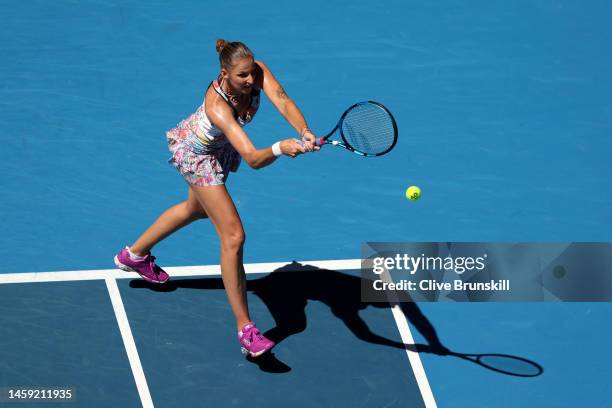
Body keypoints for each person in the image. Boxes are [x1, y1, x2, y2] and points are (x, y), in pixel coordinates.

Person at [114, 39, 319, 358]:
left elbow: (282, 99)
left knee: (195, 209)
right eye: (243, 76)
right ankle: (246, 330)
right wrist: (281, 147)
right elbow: (252, 157)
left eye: (252, 73)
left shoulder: (257, 73)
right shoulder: (217, 105)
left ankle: (134, 255)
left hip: (219, 148)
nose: (251, 81)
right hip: (196, 155)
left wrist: (304, 131)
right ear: (225, 74)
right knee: (234, 236)